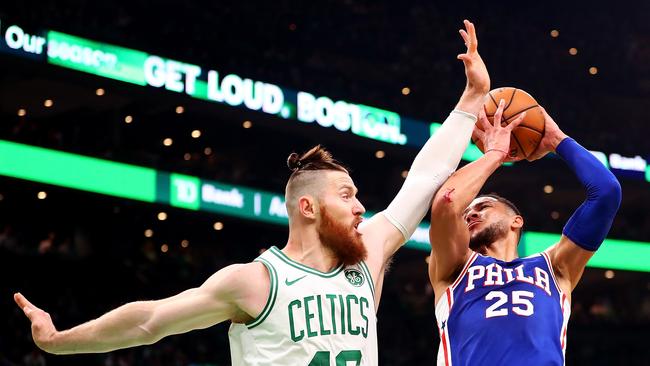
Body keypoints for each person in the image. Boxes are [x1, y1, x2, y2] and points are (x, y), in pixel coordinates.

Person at [14, 19, 489, 365]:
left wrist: (470, 101)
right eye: (346, 195)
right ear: (308, 206)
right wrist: (59, 340)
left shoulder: (366, 257)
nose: (361, 206)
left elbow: (425, 177)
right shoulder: (254, 281)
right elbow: (150, 320)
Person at [427, 100, 622, 365]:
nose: (471, 213)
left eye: (484, 207)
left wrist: (556, 139)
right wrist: (495, 154)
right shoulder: (454, 267)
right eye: (468, 212)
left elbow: (606, 193)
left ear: (516, 221)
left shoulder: (555, 267)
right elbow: (447, 202)